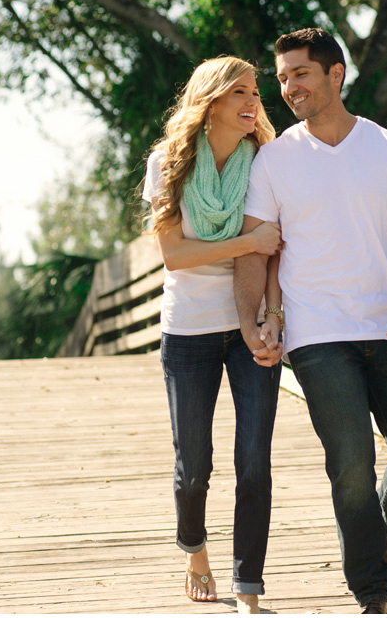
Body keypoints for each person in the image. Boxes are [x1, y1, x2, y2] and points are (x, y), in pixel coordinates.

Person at [234, 28, 387, 614]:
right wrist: (254, 323)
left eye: (299, 74)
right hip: (317, 334)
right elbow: (254, 249)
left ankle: (384, 529)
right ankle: (371, 594)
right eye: (282, 78)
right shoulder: (274, 160)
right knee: (350, 463)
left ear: (335, 75)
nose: (288, 87)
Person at [142, 55, 285, 615]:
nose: (253, 103)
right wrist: (246, 244)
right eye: (239, 94)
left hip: (249, 328)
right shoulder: (169, 162)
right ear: (210, 101)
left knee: (254, 458)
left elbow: (279, 250)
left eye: (255, 93)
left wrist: (273, 316)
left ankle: (248, 580)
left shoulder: (267, 163)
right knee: (193, 461)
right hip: (188, 330)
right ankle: (195, 548)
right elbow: (174, 255)